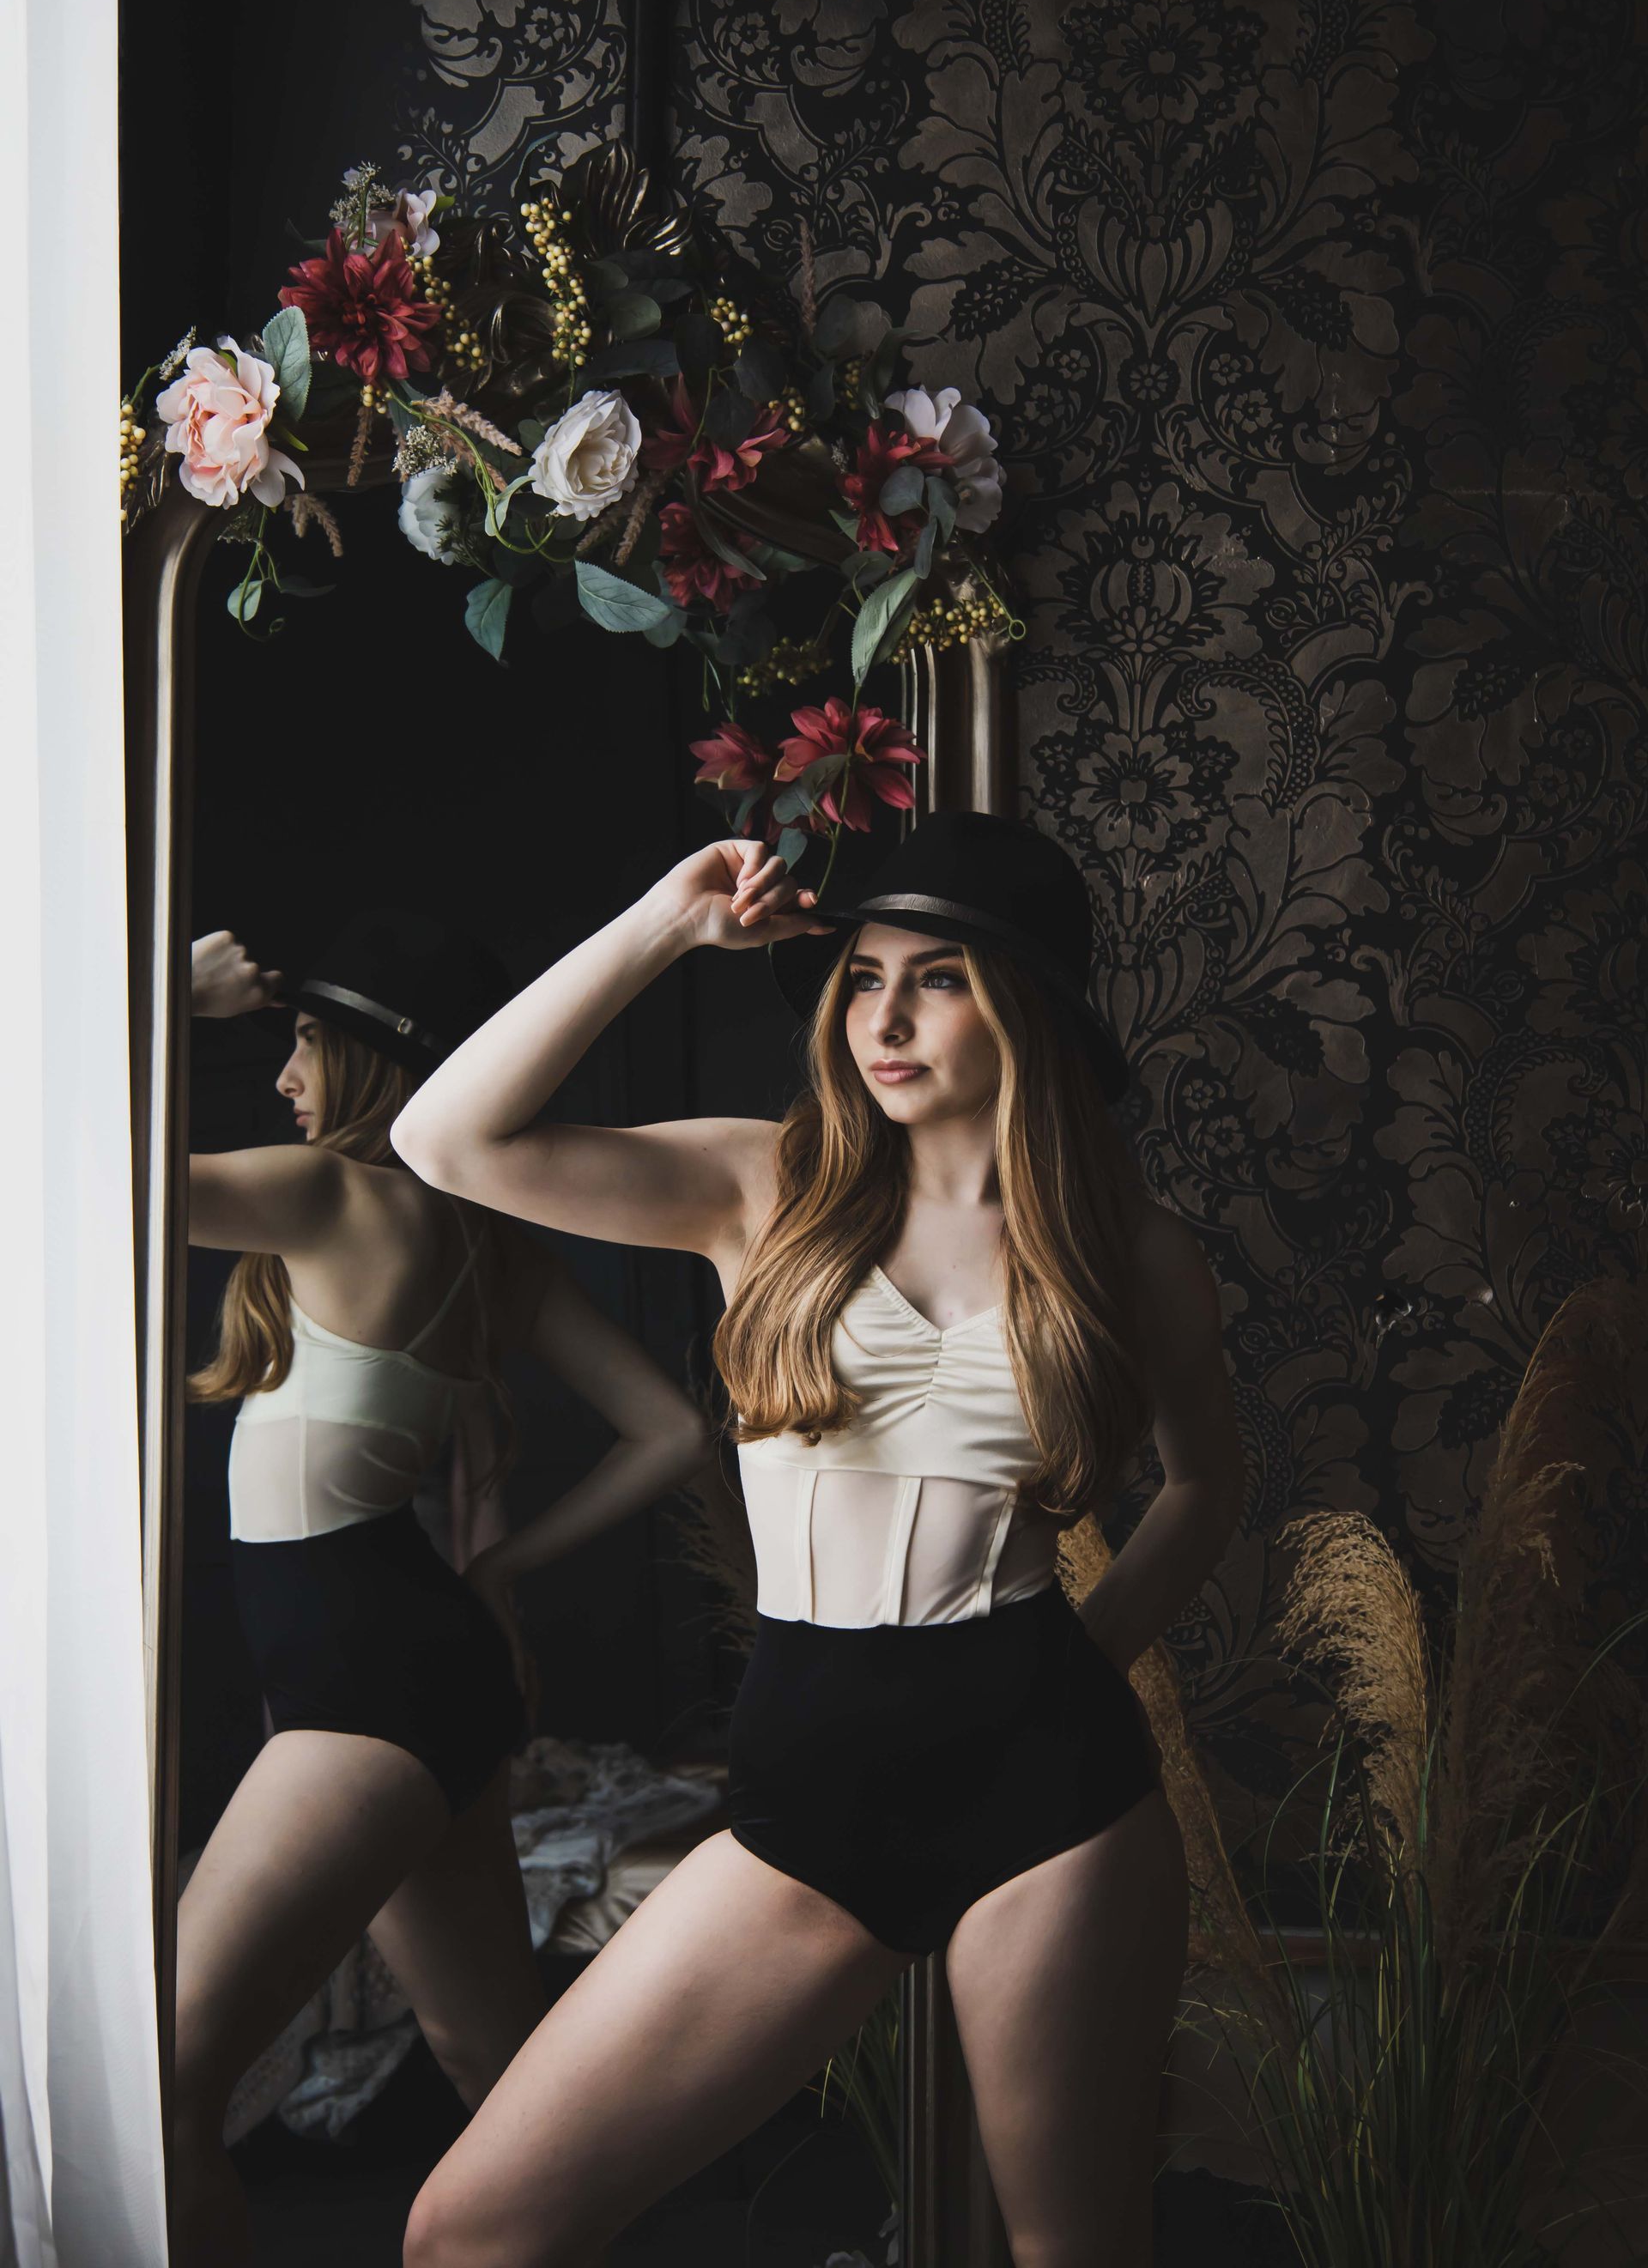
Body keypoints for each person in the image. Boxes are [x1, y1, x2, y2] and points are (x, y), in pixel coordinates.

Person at [390, 814, 1243, 2268]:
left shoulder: (1129, 1246)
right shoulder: (761, 1184)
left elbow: (1205, 1488)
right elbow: (444, 1140)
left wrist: (1077, 1666)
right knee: (470, 2234)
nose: (884, 1020)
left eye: (938, 979)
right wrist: (668, 926)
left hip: (1056, 1794)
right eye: (862, 978)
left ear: (1027, 1006)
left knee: (1073, 2251)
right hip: (810, 1792)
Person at [174, 908, 713, 2268]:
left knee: (163, 2084)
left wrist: (175, 999)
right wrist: (494, 1566)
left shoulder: (327, 1196)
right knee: (498, 2070)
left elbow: (79, 1164)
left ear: (374, 1061)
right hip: (427, 1667)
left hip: (362, 1692)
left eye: (307, 1043)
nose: (284, 1075)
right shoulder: (494, 1246)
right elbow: (672, 1431)